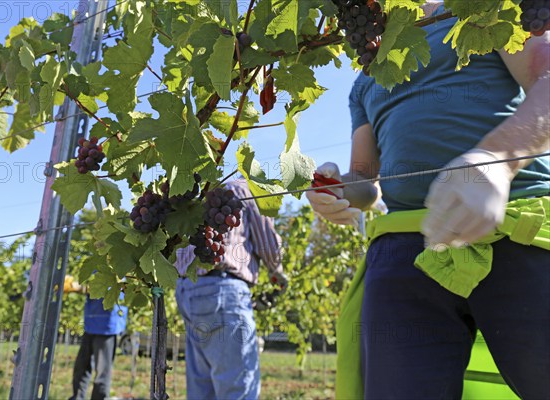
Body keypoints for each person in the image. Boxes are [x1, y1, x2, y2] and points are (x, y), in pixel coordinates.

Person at [307, 1, 550, 399]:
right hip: (407, 250)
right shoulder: (368, 71)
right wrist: (336, 190)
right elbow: (367, 180)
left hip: (517, 229)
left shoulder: (481, 11)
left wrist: (497, 159)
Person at [174, 178, 287, 400]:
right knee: (237, 390)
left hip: (188, 291)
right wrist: (278, 271)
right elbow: (268, 245)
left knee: (202, 390)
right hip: (223, 291)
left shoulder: (190, 189)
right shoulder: (242, 188)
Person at [65, 276, 128, 400]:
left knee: (102, 372)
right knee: (81, 368)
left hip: (107, 326)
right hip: (90, 324)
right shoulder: (96, 264)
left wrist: (80, 288)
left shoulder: (120, 265)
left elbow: (112, 287)